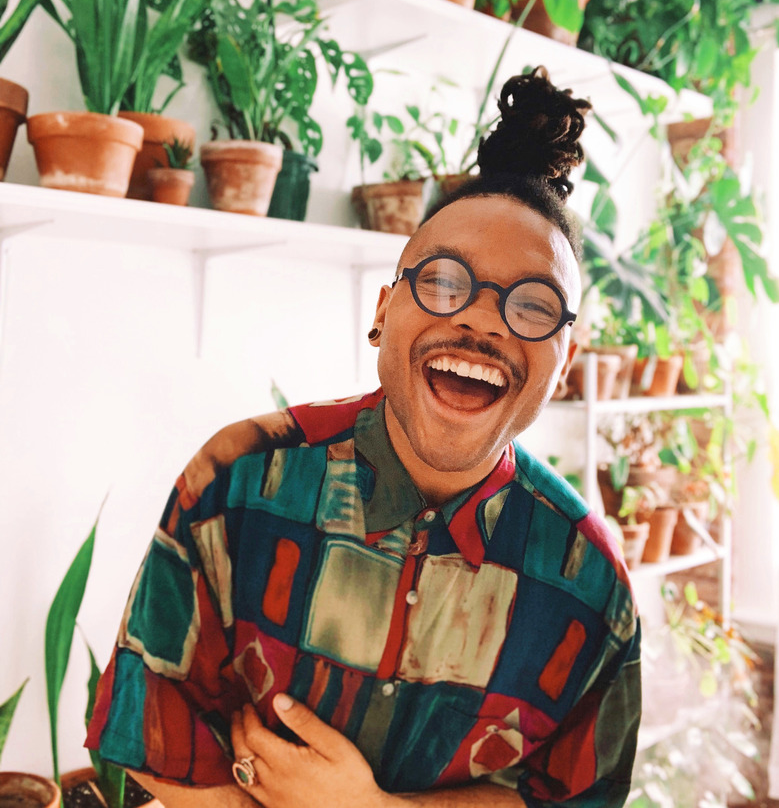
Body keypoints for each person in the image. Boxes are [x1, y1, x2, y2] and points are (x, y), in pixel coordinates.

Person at [86, 67, 641, 808]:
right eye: (445, 282)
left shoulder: (590, 590)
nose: (480, 322)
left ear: (566, 360)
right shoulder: (239, 482)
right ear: (383, 310)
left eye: (533, 305)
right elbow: (154, 721)